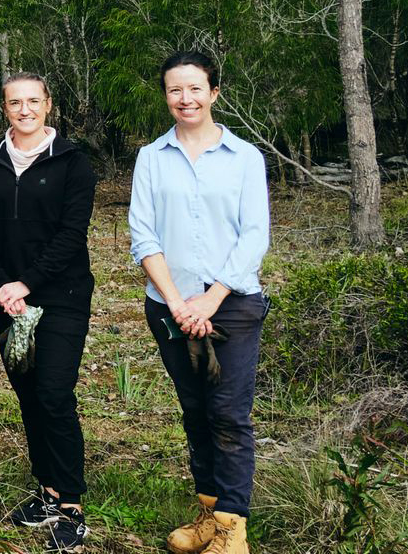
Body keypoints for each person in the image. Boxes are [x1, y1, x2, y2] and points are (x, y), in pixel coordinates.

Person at [129, 51, 269, 554]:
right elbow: (143, 235)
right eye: (174, 90)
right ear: (165, 95)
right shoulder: (150, 157)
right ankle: (209, 514)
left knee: (229, 412)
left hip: (231, 304)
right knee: (195, 409)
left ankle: (233, 528)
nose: (184, 99)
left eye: (194, 89)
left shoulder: (245, 158)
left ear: (213, 92)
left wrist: (209, 300)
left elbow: (254, 236)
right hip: (168, 305)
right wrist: (176, 303)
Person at [0, 73, 97, 552]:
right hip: (5, 300)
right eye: (14, 102)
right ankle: (47, 491)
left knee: (54, 392)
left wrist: (28, 282)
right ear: (5, 108)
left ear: (48, 105)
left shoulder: (72, 161)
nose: (24, 110)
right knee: (27, 393)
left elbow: (71, 233)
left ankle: (72, 506)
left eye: (33, 101)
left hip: (60, 295)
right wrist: (1, 284)